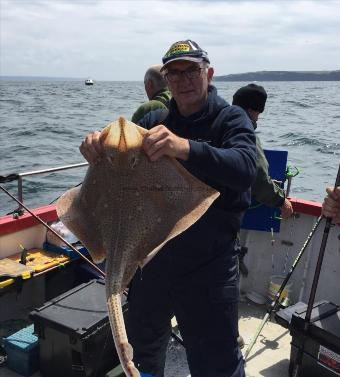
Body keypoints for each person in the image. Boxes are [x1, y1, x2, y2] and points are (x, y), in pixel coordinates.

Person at [80, 39, 257, 377]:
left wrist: (186, 148)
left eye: (192, 70)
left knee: (216, 362)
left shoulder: (230, 119)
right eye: (174, 73)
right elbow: (124, 180)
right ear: (166, 80)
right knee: (141, 355)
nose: (183, 79)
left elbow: (246, 167)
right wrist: (97, 151)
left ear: (209, 73)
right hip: (154, 261)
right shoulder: (156, 122)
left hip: (209, 266)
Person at [232, 83, 293, 219]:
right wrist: (281, 200)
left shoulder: (217, 125)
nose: (258, 117)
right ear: (251, 110)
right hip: (225, 215)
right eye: (258, 112)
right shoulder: (246, 134)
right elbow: (258, 178)